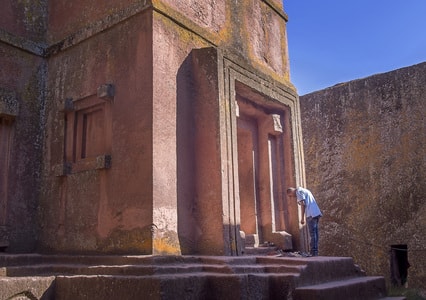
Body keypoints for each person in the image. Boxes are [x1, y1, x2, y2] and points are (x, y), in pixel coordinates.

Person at [286, 187, 322, 256]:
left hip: (311, 214)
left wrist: (302, 218)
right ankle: (315, 252)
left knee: (313, 234)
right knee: (315, 234)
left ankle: (313, 252)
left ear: (291, 191)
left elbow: (303, 205)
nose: (292, 197)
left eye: (290, 196)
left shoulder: (298, 192)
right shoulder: (304, 190)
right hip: (316, 212)